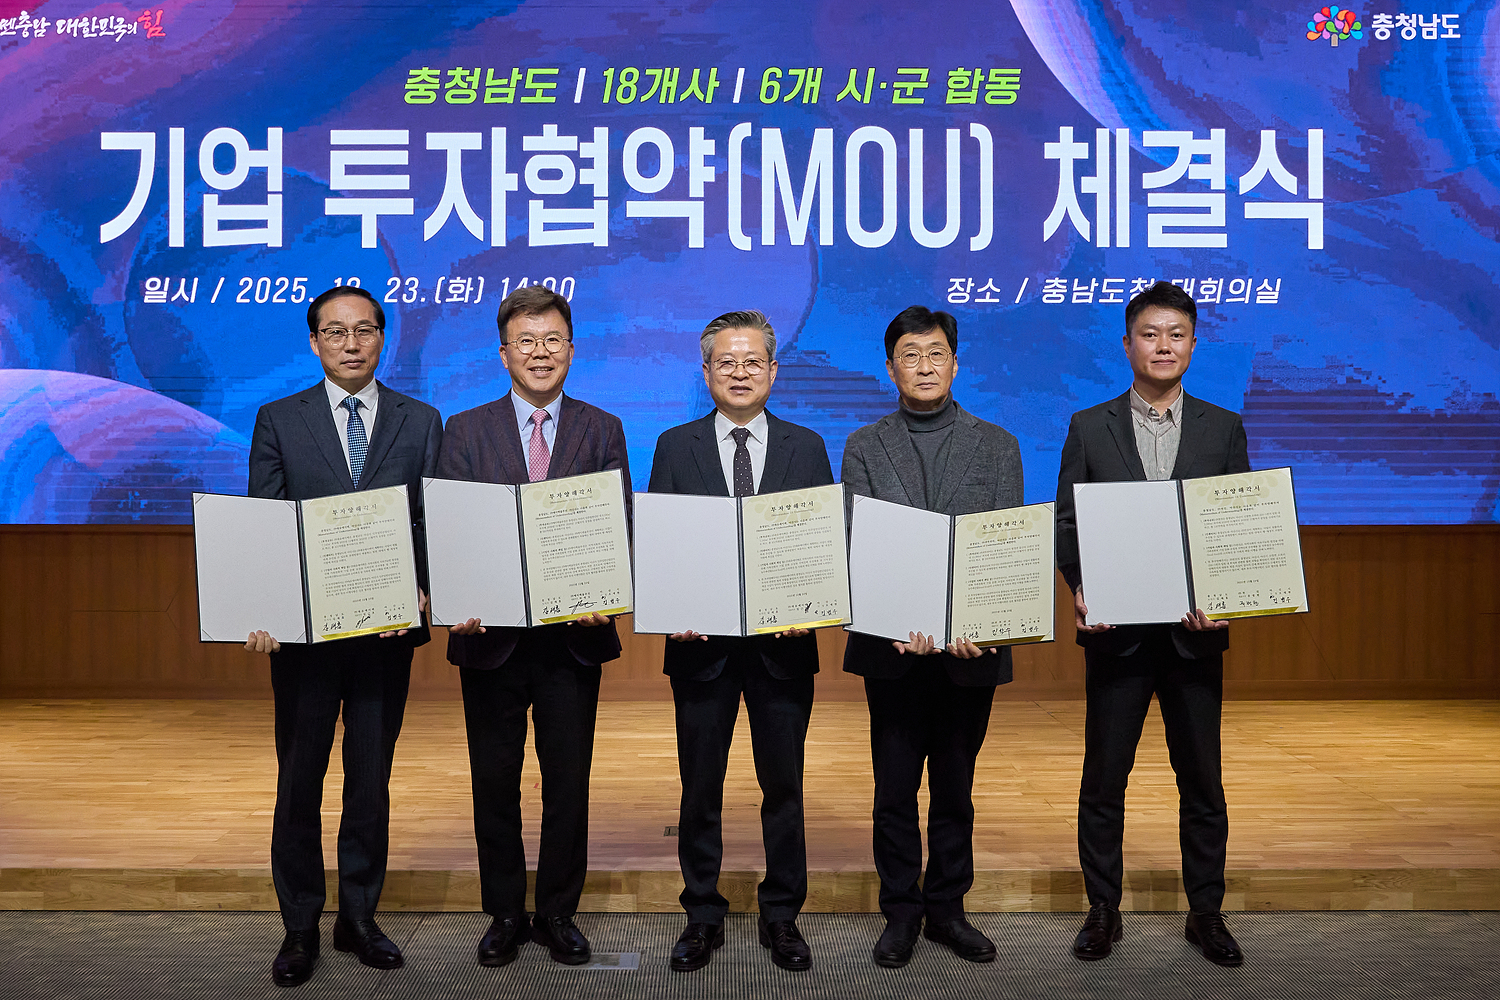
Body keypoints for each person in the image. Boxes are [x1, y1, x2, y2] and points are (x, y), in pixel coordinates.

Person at [244, 285, 443, 988]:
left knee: (369, 782)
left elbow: (432, 522)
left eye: (363, 330)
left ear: (382, 338)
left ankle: (358, 917)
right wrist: (261, 607)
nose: (350, 343)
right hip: (304, 642)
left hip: (385, 636)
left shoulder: (421, 420)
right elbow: (264, 523)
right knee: (299, 781)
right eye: (335, 332)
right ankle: (299, 925)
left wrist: (430, 588)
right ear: (314, 342)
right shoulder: (279, 418)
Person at [1055, 280, 1249, 967]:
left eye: (1176, 334)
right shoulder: (1090, 425)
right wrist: (1082, 587)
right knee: (1104, 779)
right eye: (1150, 333)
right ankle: (1102, 910)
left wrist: (1227, 593)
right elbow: (1068, 522)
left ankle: (1207, 913)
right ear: (1128, 343)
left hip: (1196, 635)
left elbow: (1237, 523)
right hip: (1119, 636)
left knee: (1202, 782)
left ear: (1193, 345)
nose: (1163, 346)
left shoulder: (1223, 428)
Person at [439, 285, 630, 969]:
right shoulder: (464, 430)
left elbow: (617, 525)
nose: (540, 353)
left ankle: (556, 912)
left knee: (567, 785)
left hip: (572, 640)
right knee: (494, 782)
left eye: (552, 340)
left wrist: (608, 589)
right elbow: (451, 531)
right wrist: (455, 595)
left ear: (572, 350)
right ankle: (503, 912)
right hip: (489, 639)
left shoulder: (602, 428)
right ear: (503, 354)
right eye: (526, 341)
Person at [647, 310, 833, 973]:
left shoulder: (808, 446)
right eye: (726, 362)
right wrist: (671, 606)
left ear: (774, 371)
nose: (740, 372)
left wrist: (812, 603)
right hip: (702, 650)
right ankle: (701, 913)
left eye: (753, 361)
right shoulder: (675, 445)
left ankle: (782, 915)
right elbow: (662, 544)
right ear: (706, 373)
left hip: (784, 650)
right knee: (699, 789)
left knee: (784, 789)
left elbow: (821, 543)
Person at [841, 305, 1023, 969]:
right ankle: (901, 912)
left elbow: (1005, 546)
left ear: (955, 363)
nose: (924, 366)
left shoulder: (997, 444)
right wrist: (894, 617)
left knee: (954, 789)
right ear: (891, 368)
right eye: (911, 355)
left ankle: (947, 908)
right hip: (892, 653)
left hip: (969, 653)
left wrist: (986, 624)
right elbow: (858, 541)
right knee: (893, 792)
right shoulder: (864, 445)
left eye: (936, 353)